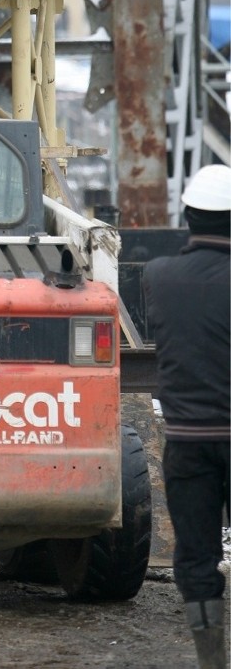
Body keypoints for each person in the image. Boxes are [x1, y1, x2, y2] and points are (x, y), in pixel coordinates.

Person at [143, 164, 230, 669]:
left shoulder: (158, 276)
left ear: (189, 217)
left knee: (196, 558)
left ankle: (211, 662)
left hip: (187, 441)